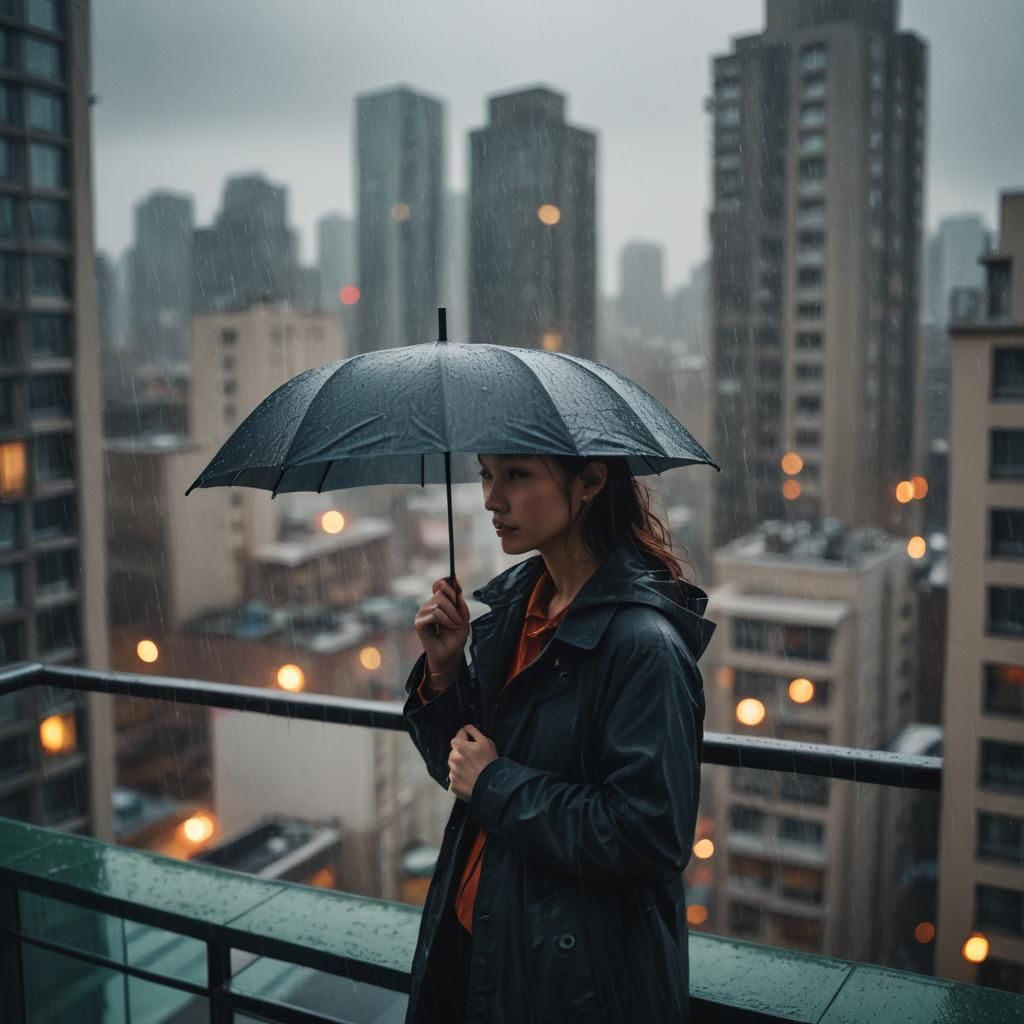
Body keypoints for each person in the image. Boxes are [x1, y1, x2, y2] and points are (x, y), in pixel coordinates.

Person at [402, 452, 716, 1024]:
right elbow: (465, 770)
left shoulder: (643, 647)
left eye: (516, 475)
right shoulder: (519, 614)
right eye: (485, 475)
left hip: (571, 982)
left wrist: (496, 783)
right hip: (482, 946)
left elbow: (651, 835)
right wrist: (445, 673)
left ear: (591, 480)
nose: (493, 499)